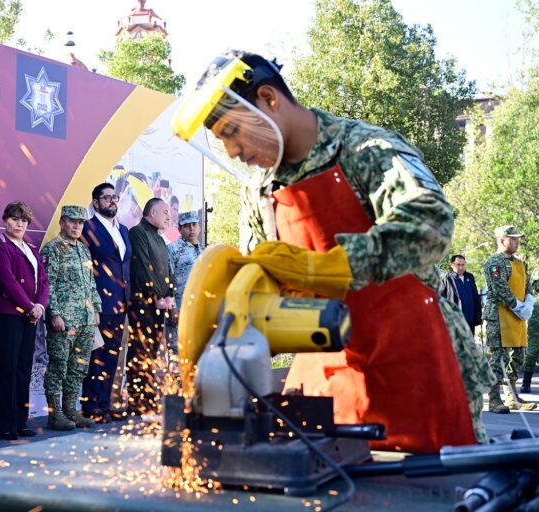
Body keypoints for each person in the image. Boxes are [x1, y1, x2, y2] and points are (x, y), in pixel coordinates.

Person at [170, 49, 492, 451]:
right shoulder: (259, 190)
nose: (233, 152)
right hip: (326, 370)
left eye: (233, 132)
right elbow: (262, 287)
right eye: (222, 142)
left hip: (416, 361)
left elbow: (430, 222)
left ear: (269, 100)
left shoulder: (364, 148)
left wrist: (333, 267)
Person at [0, 201, 48, 440]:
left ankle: (20, 421)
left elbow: (44, 282)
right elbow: (7, 281)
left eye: (23, 220)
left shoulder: (31, 248)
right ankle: (5, 425)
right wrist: (29, 307)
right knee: (8, 370)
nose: (19, 224)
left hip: (30, 316)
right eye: (15, 219)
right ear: (5, 220)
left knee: (23, 370)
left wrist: (40, 306)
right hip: (9, 315)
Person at [41, 205, 101, 431]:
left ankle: (71, 410)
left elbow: (91, 283)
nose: (77, 226)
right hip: (64, 321)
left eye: (80, 222)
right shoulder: (53, 249)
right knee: (58, 366)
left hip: (85, 320)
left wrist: (96, 308)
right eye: (72, 221)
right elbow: (48, 285)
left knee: (78, 367)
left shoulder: (84, 250)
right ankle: (55, 414)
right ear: (62, 222)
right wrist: (54, 313)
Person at [80, 183, 131, 423]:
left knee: (111, 355)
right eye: (106, 197)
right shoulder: (88, 228)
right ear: (96, 202)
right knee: (96, 355)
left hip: (121, 302)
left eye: (115, 197)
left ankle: (106, 403)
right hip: (99, 303)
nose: (112, 201)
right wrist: (90, 303)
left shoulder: (123, 231)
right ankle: (91, 405)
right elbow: (84, 269)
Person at [127, 197, 175, 415]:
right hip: (144, 303)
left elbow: (168, 270)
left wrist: (170, 296)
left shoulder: (160, 238)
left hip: (161, 304)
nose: (168, 216)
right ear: (152, 212)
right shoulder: (138, 232)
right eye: (165, 211)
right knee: (140, 350)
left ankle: (147, 397)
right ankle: (137, 400)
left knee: (152, 353)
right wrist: (156, 295)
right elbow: (143, 267)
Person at [482, 226, 536, 413]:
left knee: (519, 356)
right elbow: (499, 289)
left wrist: (528, 302)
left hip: (518, 317)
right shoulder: (494, 262)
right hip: (499, 316)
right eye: (513, 239)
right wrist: (518, 306)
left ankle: (512, 397)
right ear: (502, 240)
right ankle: (495, 399)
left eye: (517, 239)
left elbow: (528, 285)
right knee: (499, 360)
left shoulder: (520, 262)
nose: (517, 242)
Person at [165, 211, 205, 371]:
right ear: (180, 229)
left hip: (199, 310)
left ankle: (195, 385)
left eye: (194, 225)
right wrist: (173, 306)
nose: (191, 229)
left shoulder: (204, 250)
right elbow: (168, 278)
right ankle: (176, 389)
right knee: (176, 348)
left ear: (199, 227)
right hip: (179, 309)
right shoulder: (173, 249)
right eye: (187, 226)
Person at [450, 255, 483, 335]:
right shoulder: (447, 279)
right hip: (457, 321)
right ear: (452, 265)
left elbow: (475, 296)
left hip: (471, 319)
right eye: (458, 265)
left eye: (463, 264)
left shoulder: (470, 277)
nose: (461, 267)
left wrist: (479, 316)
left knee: (470, 344)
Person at [522, 270, 539, 393]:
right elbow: (534, 287)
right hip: (536, 323)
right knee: (532, 353)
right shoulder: (536, 276)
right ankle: (526, 383)